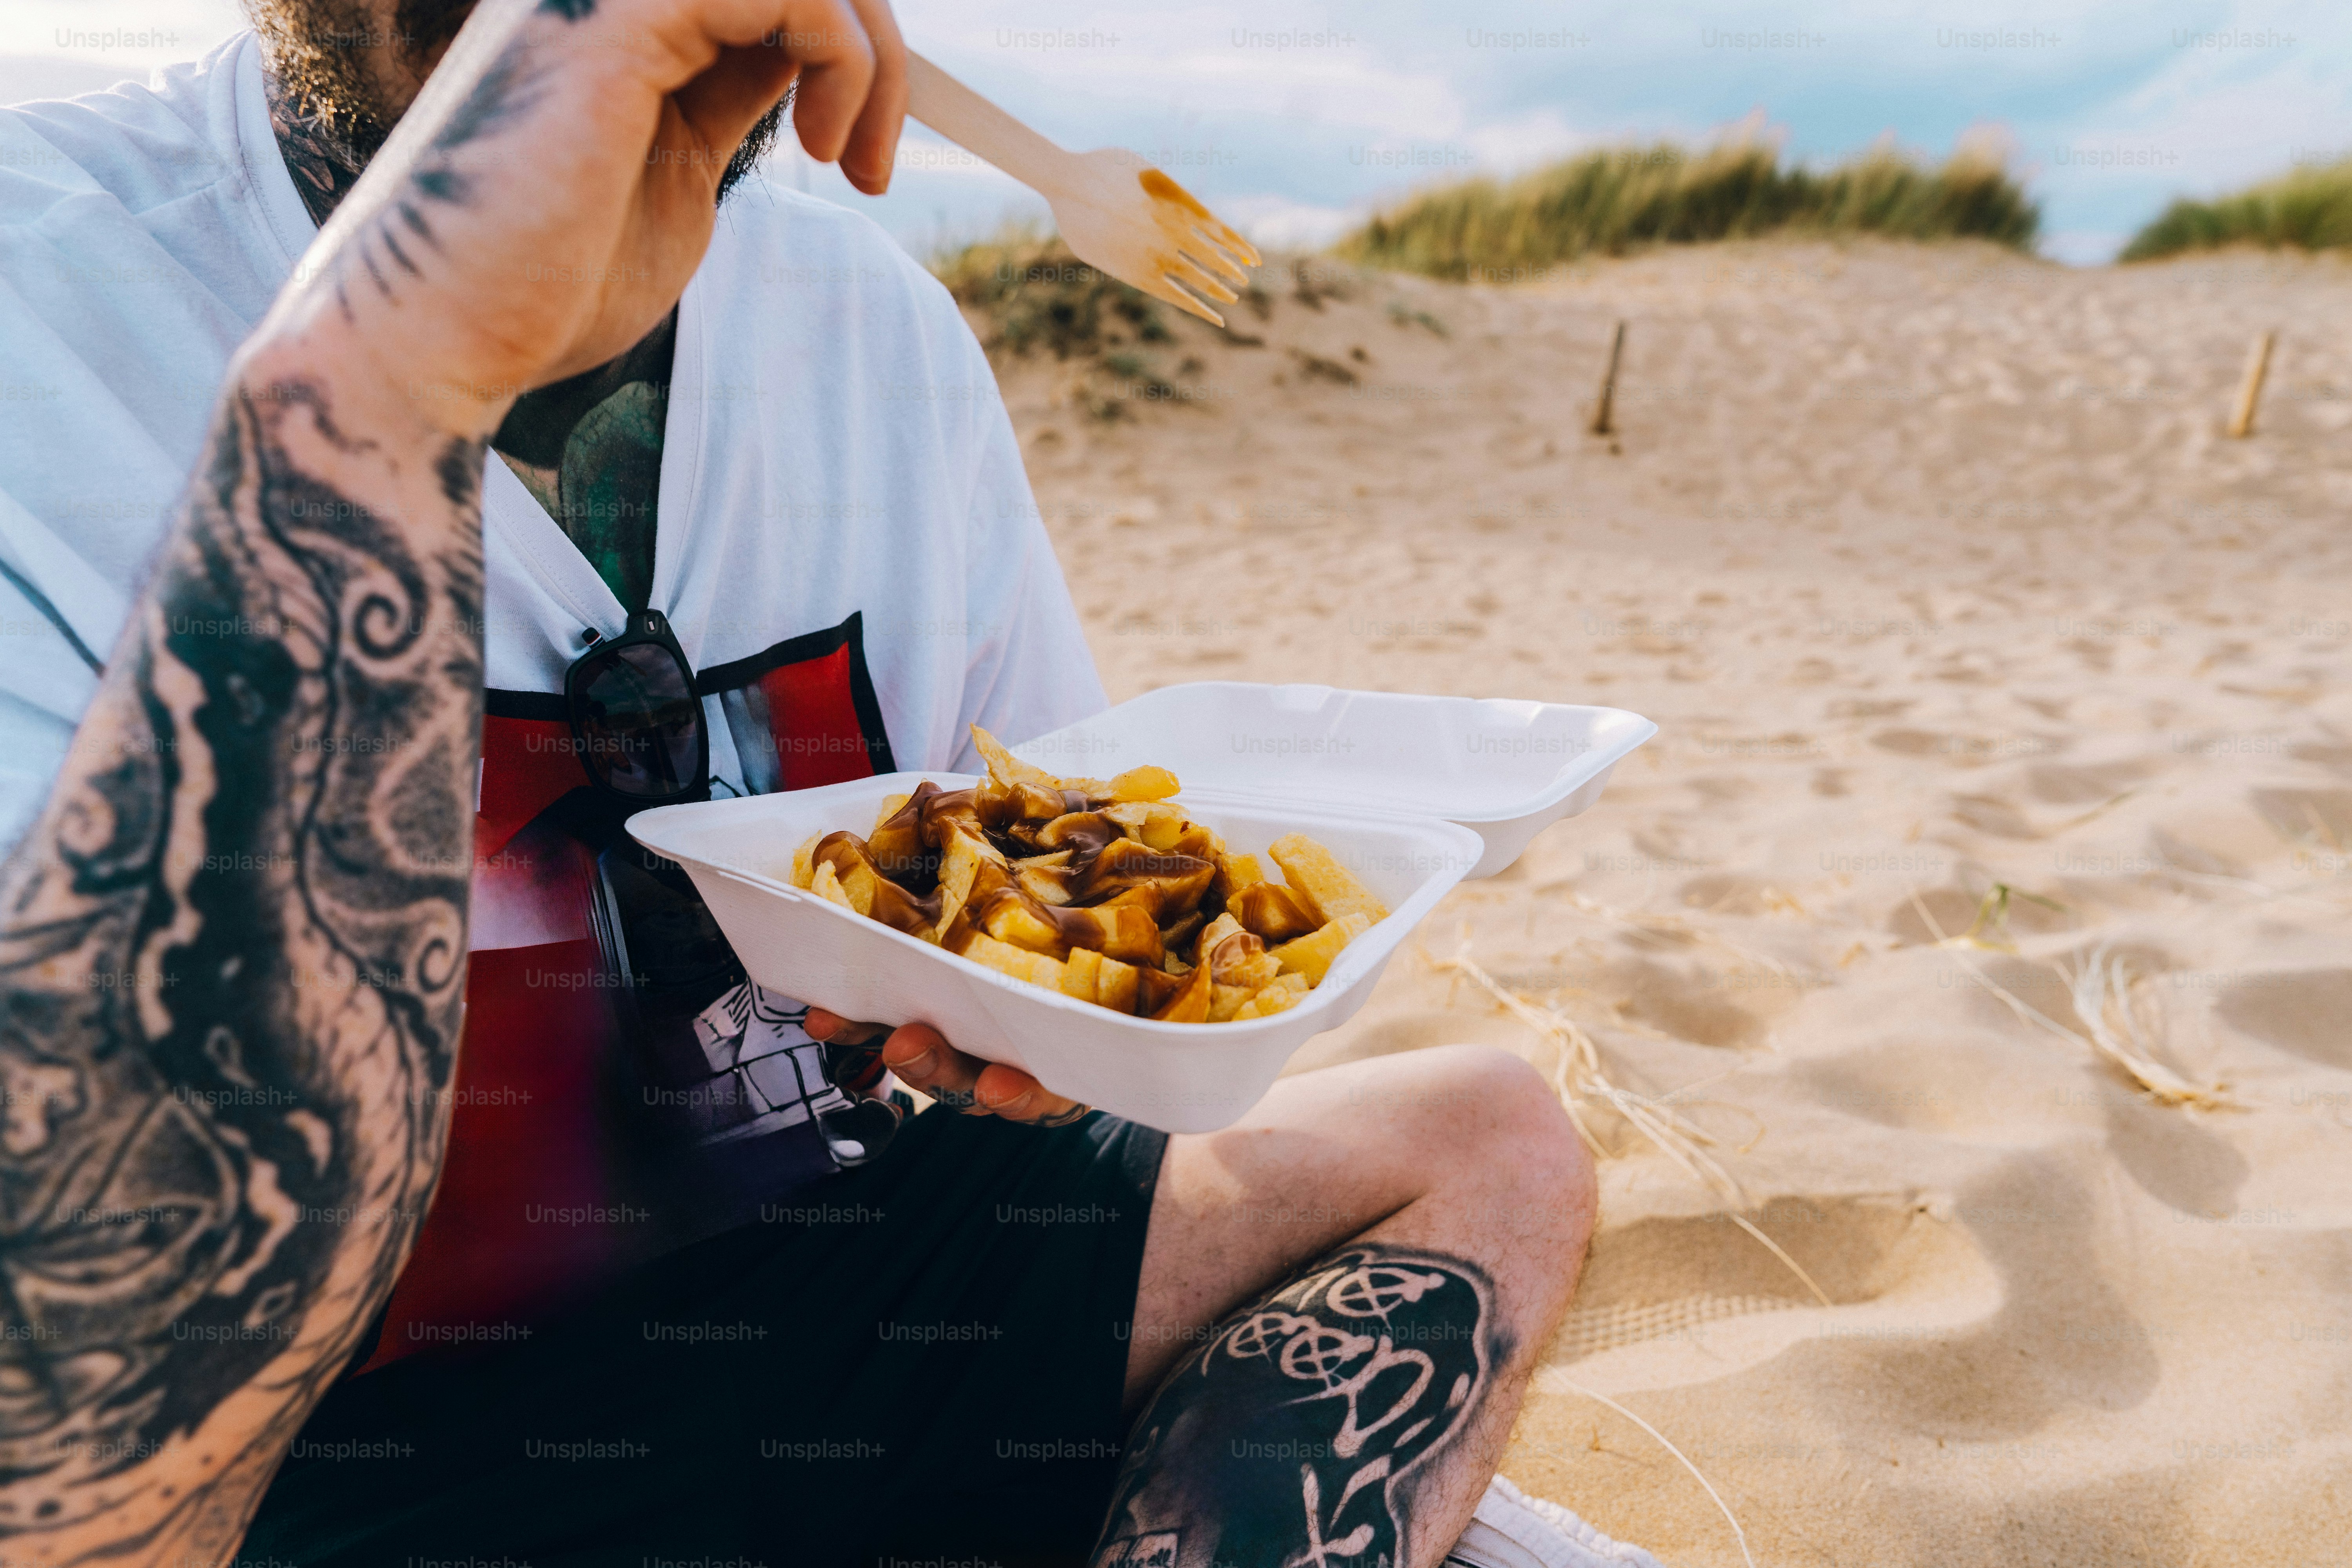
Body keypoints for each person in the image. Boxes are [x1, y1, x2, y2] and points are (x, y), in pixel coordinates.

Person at [0, 1, 1599, 1563]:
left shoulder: (873, 332)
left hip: (822, 1304)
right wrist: (396, 380)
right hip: (309, 1460)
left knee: (1491, 1133)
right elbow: (69, 1474)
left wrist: (1016, 1015)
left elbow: (1054, 920)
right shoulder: (45, 291)